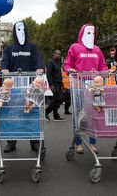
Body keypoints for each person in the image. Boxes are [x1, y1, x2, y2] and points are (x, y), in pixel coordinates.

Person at [64, 23, 108, 154]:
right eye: (89, 33)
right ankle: (78, 142)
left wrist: (105, 72)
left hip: (93, 87)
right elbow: (67, 64)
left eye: (93, 33)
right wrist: (69, 70)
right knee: (78, 114)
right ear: (82, 33)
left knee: (93, 113)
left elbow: (103, 66)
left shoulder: (97, 50)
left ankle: (92, 142)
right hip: (78, 85)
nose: (92, 35)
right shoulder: (74, 47)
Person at [0, 20, 44, 153]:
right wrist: (4, 69)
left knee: (32, 113)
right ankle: (11, 141)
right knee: (12, 114)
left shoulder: (32, 47)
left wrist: (39, 68)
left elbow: (38, 60)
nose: (21, 33)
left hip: (30, 87)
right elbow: (4, 62)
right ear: (14, 32)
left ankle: (35, 141)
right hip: (13, 88)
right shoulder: (9, 49)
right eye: (18, 30)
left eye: (23, 30)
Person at [45, 50, 65, 121]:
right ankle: (46, 112)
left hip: (59, 84)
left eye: (60, 55)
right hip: (54, 84)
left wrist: (62, 84)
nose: (59, 56)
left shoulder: (58, 62)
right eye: (57, 54)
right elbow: (48, 74)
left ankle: (56, 115)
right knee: (57, 99)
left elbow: (59, 74)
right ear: (53, 54)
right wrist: (51, 85)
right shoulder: (50, 62)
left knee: (59, 99)